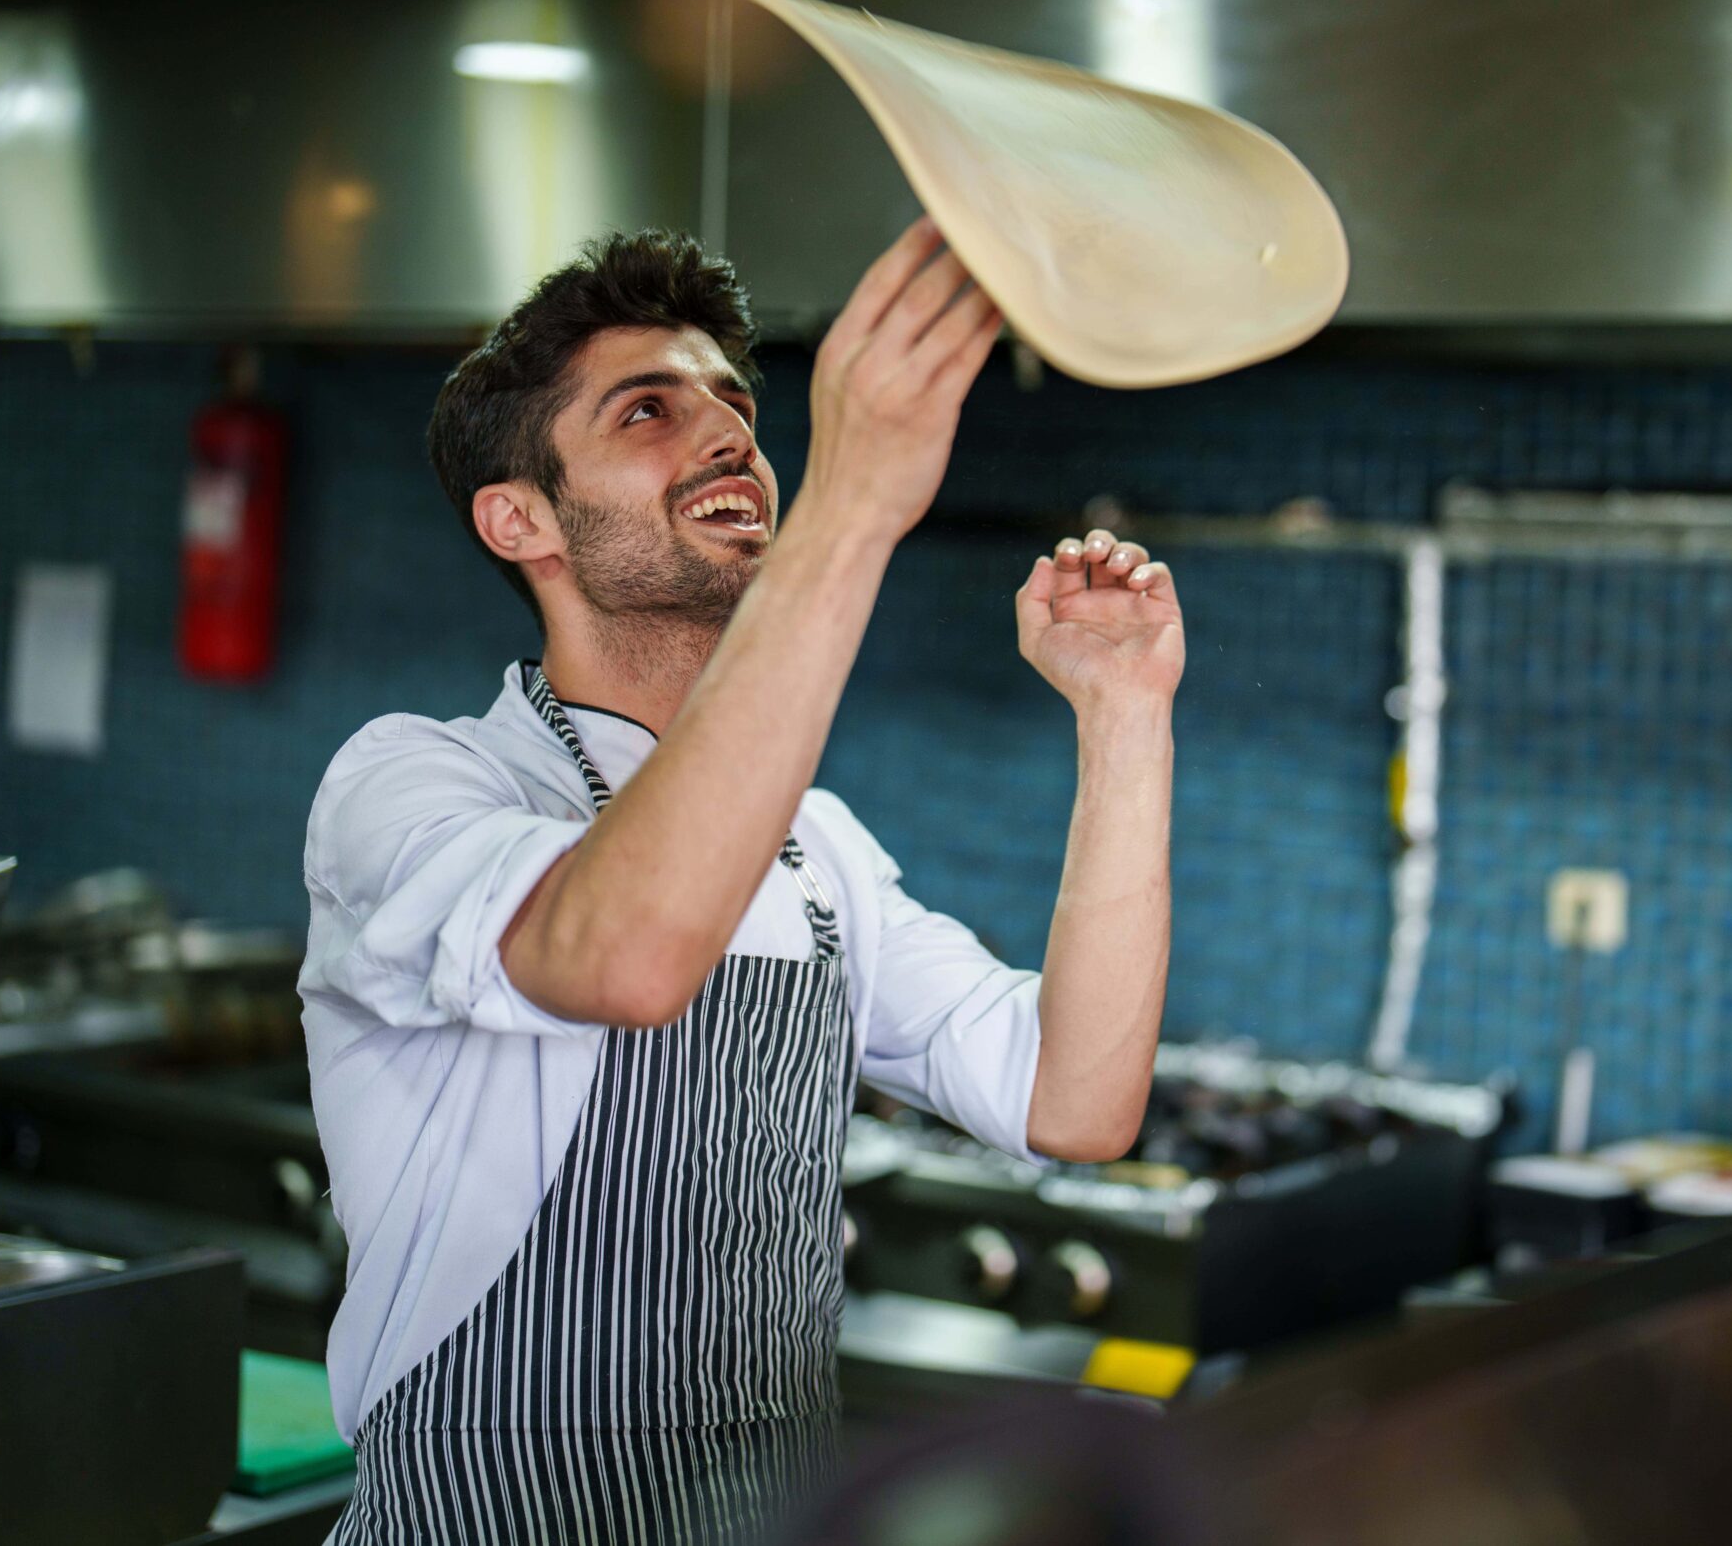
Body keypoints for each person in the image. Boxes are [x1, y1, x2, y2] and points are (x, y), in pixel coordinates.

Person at [298, 217, 1181, 1543]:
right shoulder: (414, 784)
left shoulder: (819, 847)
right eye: (647, 409)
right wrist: (856, 503)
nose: (726, 436)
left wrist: (1125, 716)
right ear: (518, 518)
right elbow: (623, 954)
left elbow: (1078, 1100)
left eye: (736, 406)